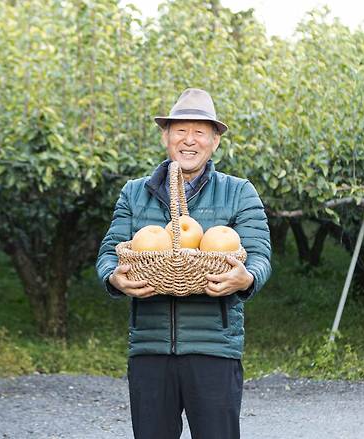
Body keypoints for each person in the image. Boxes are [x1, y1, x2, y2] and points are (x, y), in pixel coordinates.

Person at [96, 88, 272, 439]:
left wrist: (246, 278)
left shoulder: (238, 192)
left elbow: (259, 256)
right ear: (165, 136)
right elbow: (108, 254)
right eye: (180, 130)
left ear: (215, 140)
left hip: (214, 348)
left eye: (200, 131)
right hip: (150, 347)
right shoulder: (135, 192)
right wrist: (113, 278)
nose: (189, 140)